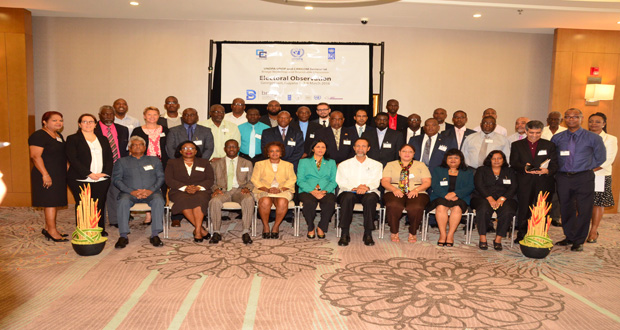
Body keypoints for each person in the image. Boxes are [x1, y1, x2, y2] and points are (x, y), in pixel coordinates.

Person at [551, 108, 606, 252]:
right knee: (566, 207)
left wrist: (585, 167)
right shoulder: (558, 138)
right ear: (564, 120)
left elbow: (601, 158)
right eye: (568, 117)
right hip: (563, 177)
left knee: (584, 209)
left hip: (584, 177)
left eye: (575, 117)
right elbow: (553, 157)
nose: (571, 119)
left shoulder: (593, 138)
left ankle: (579, 240)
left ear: (581, 119)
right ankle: (569, 236)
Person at [112, 136, 166, 248]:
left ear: (145, 147)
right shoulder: (121, 162)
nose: (138, 147)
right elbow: (116, 180)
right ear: (130, 148)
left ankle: (155, 234)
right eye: (134, 145)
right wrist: (131, 191)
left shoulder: (154, 160)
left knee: (158, 200)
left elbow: (161, 177)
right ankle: (123, 236)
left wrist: (150, 190)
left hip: (151, 192)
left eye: (140, 144)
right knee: (123, 201)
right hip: (129, 193)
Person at [509, 120, 558, 242]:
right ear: (526, 131)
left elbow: (555, 164)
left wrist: (547, 171)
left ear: (541, 132)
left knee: (542, 209)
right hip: (524, 182)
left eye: (537, 133)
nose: (534, 135)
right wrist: (524, 168)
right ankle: (522, 234)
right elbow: (514, 163)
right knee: (524, 209)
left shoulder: (549, 145)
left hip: (544, 181)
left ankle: (540, 234)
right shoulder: (516, 145)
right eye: (531, 132)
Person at [66, 113, 114, 236]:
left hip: (101, 178)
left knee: (99, 204)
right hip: (80, 178)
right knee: (83, 205)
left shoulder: (103, 138)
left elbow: (109, 157)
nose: (88, 124)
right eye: (85, 121)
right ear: (79, 124)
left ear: (95, 124)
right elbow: (73, 159)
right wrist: (88, 173)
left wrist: (105, 173)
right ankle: (84, 230)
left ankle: (99, 229)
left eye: (91, 121)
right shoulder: (73, 139)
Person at [28, 111, 69, 242]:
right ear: (45, 122)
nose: (59, 123)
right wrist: (45, 174)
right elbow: (35, 156)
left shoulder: (58, 135)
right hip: (46, 173)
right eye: (54, 120)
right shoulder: (38, 135)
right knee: (50, 202)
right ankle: (52, 231)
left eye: (60, 120)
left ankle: (48, 228)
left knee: (54, 202)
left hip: (58, 173)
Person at [335, 138, 383, 246]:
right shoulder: (344, 164)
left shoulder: (377, 165)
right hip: (348, 191)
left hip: (369, 191)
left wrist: (366, 187)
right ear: (354, 148)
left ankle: (368, 233)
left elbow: (376, 181)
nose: (360, 149)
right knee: (347, 198)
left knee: (370, 199)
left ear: (368, 148)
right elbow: (340, 181)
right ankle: (344, 233)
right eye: (358, 146)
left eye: (364, 146)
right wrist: (355, 188)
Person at [165, 141, 214, 242]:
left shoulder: (204, 162)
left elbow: (210, 179)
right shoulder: (172, 163)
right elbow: (169, 179)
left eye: (192, 148)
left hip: (200, 190)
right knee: (183, 200)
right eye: (185, 148)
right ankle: (200, 230)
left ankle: (197, 230)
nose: (188, 150)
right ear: (180, 151)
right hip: (179, 191)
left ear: (196, 151)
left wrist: (198, 187)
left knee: (200, 199)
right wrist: (184, 188)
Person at [381, 144, 431, 243]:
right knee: (394, 205)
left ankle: (413, 232)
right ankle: (394, 231)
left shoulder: (421, 165)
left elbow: (427, 182)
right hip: (394, 190)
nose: (407, 154)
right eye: (404, 151)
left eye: (410, 152)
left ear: (414, 154)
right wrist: (394, 189)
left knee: (415, 207)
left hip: (417, 191)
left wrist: (416, 190)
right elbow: (385, 181)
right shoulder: (391, 164)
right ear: (399, 153)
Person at [209, 139, 255, 245]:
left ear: (238, 149)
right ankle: (216, 232)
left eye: (234, 147)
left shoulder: (247, 163)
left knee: (248, 199)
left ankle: (245, 232)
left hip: (240, 190)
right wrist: (215, 189)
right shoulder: (216, 164)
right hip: (223, 191)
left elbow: (251, 181)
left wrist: (247, 188)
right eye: (229, 147)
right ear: (224, 149)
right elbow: (212, 182)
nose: (231, 149)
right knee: (214, 201)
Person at [471, 150, 518, 251]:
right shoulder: (481, 170)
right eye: (494, 158)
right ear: (490, 159)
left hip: (505, 198)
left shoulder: (509, 171)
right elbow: (479, 185)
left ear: (503, 160)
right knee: (483, 209)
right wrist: (489, 198)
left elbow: (514, 187)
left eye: (499, 158)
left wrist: (502, 198)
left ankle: (498, 239)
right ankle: (482, 238)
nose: (496, 160)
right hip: (482, 197)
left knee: (508, 211)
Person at [131, 106, 170, 225]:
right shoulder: (137, 130)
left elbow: (169, 146)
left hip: (162, 162)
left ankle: (158, 211)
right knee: (146, 185)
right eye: (149, 115)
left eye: (155, 115)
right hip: (144, 163)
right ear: (144, 116)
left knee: (161, 185)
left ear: (159, 116)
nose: (152, 117)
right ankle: (148, 214)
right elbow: (133, 147)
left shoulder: (165, 130)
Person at [429, 149, 475, 247]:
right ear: (446, 159)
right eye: (450, 157)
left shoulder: (468, 171)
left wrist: (456, 194)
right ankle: (442, 234)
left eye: (456, 158)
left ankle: (450, 235)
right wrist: (445, 195)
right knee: (441, 207)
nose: (453, 160)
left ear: (461, 159)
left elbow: (470, 186)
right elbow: (435, 185)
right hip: (441, 196)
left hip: (460, 197)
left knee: (457, 209)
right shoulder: (438, 170)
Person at [251, 141, 296, 239]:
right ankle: (266, 226)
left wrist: (280, 189)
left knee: (282, 202)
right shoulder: (259, 164)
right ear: (267, 153)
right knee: (265, 201)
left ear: (281, 153)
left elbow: (292, 179)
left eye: (277, 151)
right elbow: (255, 179)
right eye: (271, 151)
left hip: (283, 190)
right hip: (263, 189)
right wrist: (266, 189)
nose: (274, 153)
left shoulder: (288, 165)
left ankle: (276, 226)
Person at [95, 105, 129, 228]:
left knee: (116, 193)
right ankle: (99, 222)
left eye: (111, 114)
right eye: (105, 114)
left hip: (118, 165)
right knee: (100, 195)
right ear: (99, 116)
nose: (108, 116)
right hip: (100, 167)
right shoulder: (93, 129)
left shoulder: (122, 129)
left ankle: (115, 220)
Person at [297, 140, 337, 239]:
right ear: (313, 148)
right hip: (307, 190)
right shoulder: (304, 161)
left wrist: (324, 191)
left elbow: (334, 180)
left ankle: (321, 227)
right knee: (309, 203)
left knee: (330, 202)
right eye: (318, 147)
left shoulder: (331, 162)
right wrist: (312, 191)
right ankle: (310, 227)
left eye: (323, 147)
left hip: (325, 190)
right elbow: (300, 180)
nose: (320, 149)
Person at [587, 112, 617, 243]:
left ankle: (593, 230)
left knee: (597, 203)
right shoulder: (583, 137)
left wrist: (588, 170)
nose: (594, 124)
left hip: (600, 175)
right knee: (581, 203)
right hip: (581, 175)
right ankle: (581, 229)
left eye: (597, 121)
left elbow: (608, 159)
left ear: (604, 124)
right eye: (591, 121)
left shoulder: (610, 139)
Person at [541, 111, 566, 226]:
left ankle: (555, 217)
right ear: (547, 120)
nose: (553, 121)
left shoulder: (565, 132)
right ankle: (542, 215)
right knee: (544, 191)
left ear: (561, 121)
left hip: (560, 165)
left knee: (557, 192)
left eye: (556, 119)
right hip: (544, 165)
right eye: (551, 119)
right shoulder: (542, 131)